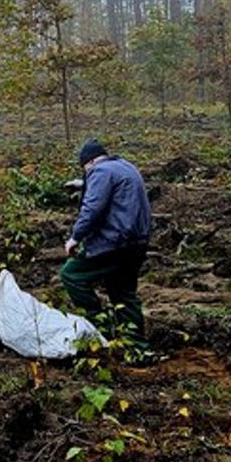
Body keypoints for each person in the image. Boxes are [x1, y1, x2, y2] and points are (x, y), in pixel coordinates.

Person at [60, 139, 152, 348]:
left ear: (89, 162)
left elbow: (93, 208)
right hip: (138, 242)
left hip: (114, 243)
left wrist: (75, 238)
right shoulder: (125, 166)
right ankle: (137, 348)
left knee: (71, 275)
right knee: (123, 292)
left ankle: (99, 325)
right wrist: (84, 185)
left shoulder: (99, 172)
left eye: (85, 170)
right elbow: (118, 190)